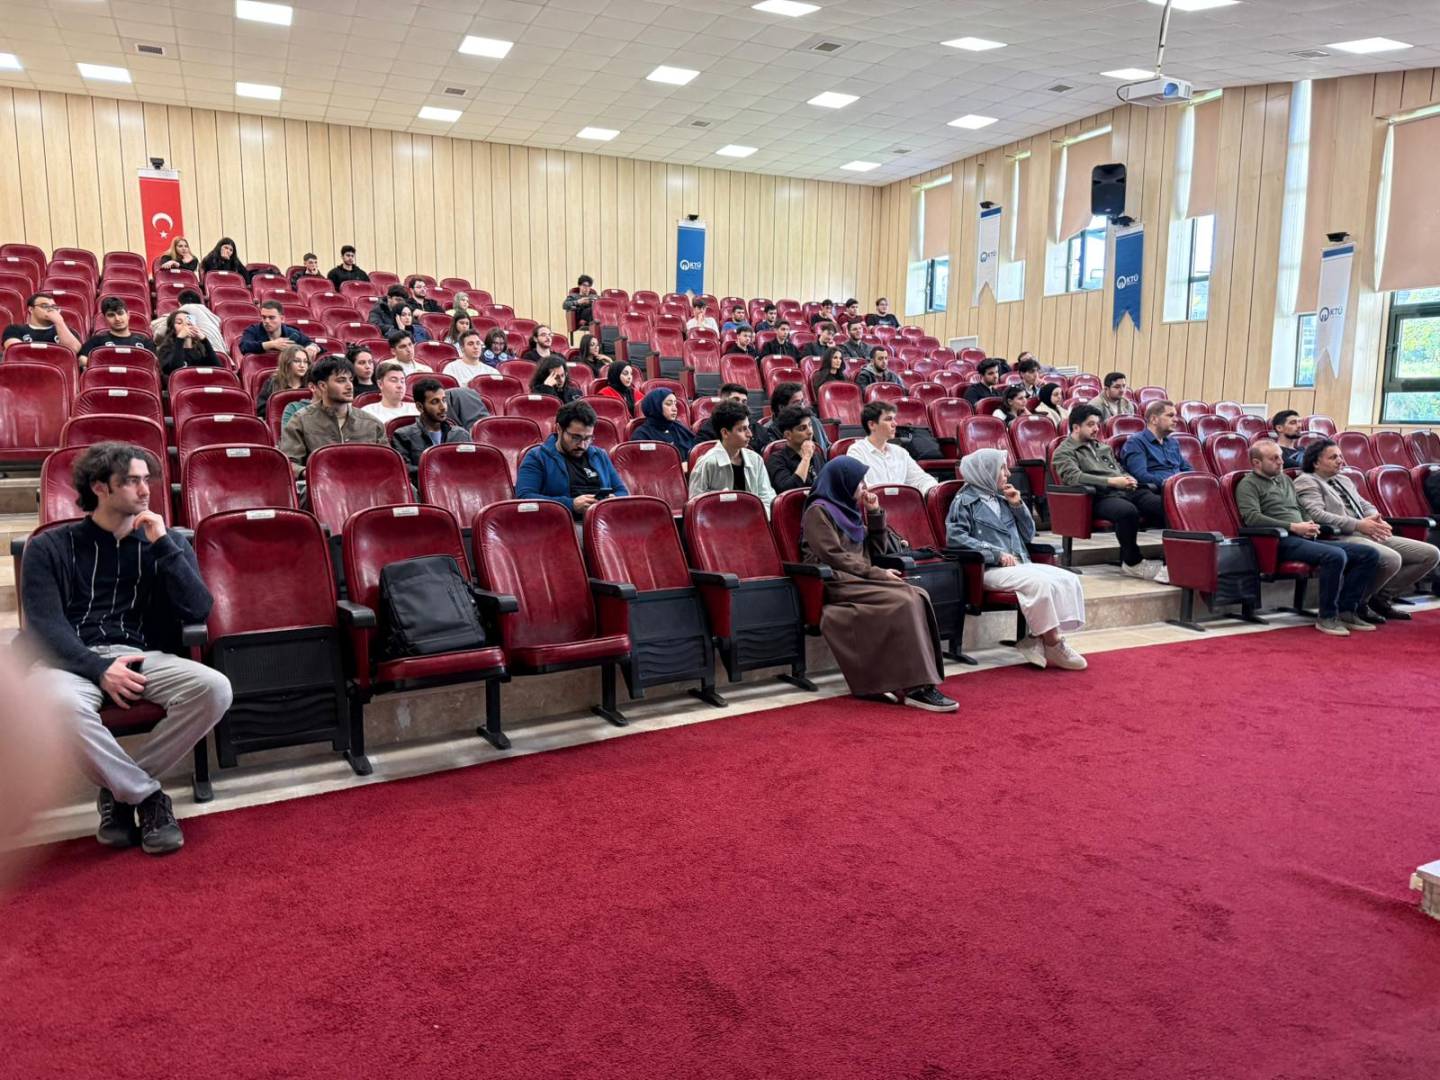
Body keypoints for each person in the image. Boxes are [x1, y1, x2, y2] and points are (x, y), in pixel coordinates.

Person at [20, 442, 232, 855]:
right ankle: (148, 797)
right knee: (55, 705)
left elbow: (198, 608)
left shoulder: (162, 541)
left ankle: (119, 793)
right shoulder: (50, 547)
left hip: (140, 654)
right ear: (100, 487)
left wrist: (164, 545)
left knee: (214, 689)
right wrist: (98, 669)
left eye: (146, 479)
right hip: (68, 660)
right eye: (132, 481)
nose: (145, 490)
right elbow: (45, 625)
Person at [800, 457, 956, 711]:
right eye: (859, 481)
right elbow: (834, 557)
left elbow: (876, 551)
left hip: (861, 579)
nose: (865, 486)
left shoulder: (848, 509)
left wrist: (874, 514)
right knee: (904, 600)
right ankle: (916, 686)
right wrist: (878, 574)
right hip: (836, 581)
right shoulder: (818, 512)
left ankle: (918, 681)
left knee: (917, 594)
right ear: (842, 482)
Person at [946, 448, 1087, 670]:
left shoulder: (1003, 499)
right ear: (986, 471)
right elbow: (955, 538)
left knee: (1068, 578)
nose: (1008, 474)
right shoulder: (964, 501)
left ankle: (1036, 638)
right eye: (1002, 468)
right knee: (1039, 583)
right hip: (987, 569)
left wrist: (1017, 506)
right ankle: (1052, 643)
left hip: (1019, 564)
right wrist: (995, 553)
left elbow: (1029, 535)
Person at [1236, 440, 1381, 635]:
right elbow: (1252, 518)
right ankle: (1327, 616)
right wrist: (1293, 527)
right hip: (1280, 541)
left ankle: (1347, 610)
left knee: (1368, 553)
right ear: (1256, 463)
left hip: (1302, 536)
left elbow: (1300, 508)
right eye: (1274, 458)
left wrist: (1310, 524)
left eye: (1280, 457)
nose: (1281, 462)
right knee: (1335, 555)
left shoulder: (1285, 480)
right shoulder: (1248, 484)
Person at [1293, 439, 1438, 620]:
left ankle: (1379, 598)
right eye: (1333, 457)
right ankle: (1355, 603)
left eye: (1340, 456)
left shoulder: (1343, 479)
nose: (1340, 461)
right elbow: (1317, 515)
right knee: (1391, 559)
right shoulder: (1306, 481)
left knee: (1430, 554)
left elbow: (1365, 505)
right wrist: (1357, 524)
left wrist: (1377, 519)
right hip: (1338, 536)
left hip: (1365, 531)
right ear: (1316, 462)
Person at [1051, 404, 1169, 581]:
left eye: (1097, 424)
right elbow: (1074, 478)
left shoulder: (1102, 447)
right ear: (1076, 427)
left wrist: (1128, 478)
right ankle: (1132, 562)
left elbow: (1118, 469)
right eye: (1090, 424)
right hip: (1096, 496)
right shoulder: (1063, 452)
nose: (1096, 429)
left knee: (1164, 505)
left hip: (1123, 490)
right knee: (1127, 511)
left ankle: (1172, 560)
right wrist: (1111, 482)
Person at [515, 400, 628, 519]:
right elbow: (524, 498)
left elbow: (622, 491)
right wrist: (570, 504)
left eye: (588, 438)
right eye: (576, 437)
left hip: (601, 522)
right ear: (559, 429)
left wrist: (613, 499)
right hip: (560, 523)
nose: (582, 445)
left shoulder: (600, 455)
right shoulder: (537, 457)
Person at [278, 355, 386, 479]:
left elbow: (388, 463)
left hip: (366, 484)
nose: (349, 386)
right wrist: (308, 473)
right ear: (322, 386)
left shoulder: (372, 423)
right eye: (341, 380)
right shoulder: (301, 420)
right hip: (320, 485)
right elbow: (289, 463)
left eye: (350, 380)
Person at [688, 400, 777, 516]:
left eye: (748, 427)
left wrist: (758, 518)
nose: (750, 434)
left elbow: (767, 497)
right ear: (725, 433)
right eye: (742, 429)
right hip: (718, 522)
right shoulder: (707, 463)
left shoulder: (756, 460)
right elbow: (696, 506)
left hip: (753, 521)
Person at [847, 401, 937, 495]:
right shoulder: (857, 451)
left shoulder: (901, 452)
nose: (895, 424)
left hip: (901, 503)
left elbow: (921, 479)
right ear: (872, 425)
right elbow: (860, 486)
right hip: (875, 503)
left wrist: (933, 491)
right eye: (888, 419)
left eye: (894, 419)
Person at [392, 378, 472, 480]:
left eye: (444, 400)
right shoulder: (403, 436)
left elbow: (471, 470)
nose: (443, 407)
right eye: (435, 402)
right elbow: (407, 474)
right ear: (420, 407)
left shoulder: (461, 435)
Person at [1120, 400, 1192, 491]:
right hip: (1157, 491)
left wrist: (1187, 483)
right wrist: (1172, 484)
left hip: (1180, 490)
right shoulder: (1136, 442)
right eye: (1170, 415)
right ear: (1154, 419)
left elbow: (1187, 469)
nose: (1176, 420)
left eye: (1175, 416)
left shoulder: (1173, 442)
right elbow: (1141, 476)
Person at [755, 382, 829, 455]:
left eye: (802, 402)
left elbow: (827, 447)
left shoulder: (813, 421)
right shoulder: (768, 432)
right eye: (797, 403)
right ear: (781, 407)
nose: (802, 407)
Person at [78, 297, 155, 367]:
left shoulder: (145, 341)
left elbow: (154, 364)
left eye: (120, 313)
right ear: (105, 319)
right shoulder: (97, 340)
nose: (117, 319)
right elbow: (82, 359)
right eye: (111, 315)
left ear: (128, 315)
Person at [148, 289, 225, 353]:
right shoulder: (213, 316)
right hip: (222, 357)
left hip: (203, 355)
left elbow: (160, 334)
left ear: (179, 304)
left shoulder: (186, 308)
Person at [3, 291, 82, 352]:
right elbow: (14, 350)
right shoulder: (15, 329)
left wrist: (60, 322)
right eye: (45, 306)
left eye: (54, 307)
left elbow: (74, 350)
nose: (50, 309)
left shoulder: (66, 331)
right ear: (31, 309)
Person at [239, 299, 319, 360]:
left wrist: (312, 348)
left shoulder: (292, 332)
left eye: (271, 317)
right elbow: (244, 347)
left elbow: (311, 344)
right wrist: (272, 344)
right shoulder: (253, 330)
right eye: (264, 317)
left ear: (282, 319)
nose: (266, 321)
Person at [155, 310, 220, 384]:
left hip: (202, 386)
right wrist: (180, 339)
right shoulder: (165, 349)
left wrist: (205, 340)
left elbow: (218, 369)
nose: (185, 326)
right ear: (173, 329)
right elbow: (176, 371)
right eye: (179, 323)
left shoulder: (200, 349)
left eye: (189, 323)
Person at [765, 406, 820, 493]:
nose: (810, 432)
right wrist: (806, 458)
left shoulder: (816, 453)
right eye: (802, 428)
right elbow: (788, 491)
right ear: (788, 435)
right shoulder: (777, 459)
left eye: (810, 425)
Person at [631, 388, 697, 457]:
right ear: (655, 406)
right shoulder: (641, 435)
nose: (675, 409)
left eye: (675, 404)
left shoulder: (679, 427)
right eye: (669, 404)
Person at [254, 344, 310, 419]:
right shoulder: (273, 383)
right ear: (287, 362)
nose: (302, 365)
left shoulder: (311, 384)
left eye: (305, 362)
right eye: (297, 361)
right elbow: (261, 410)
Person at [362, 360, 420, 425]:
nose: (400, 386)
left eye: (402, 381)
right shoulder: (368, 412)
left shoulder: (417, 409)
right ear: (380, 384)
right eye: (394, 380)